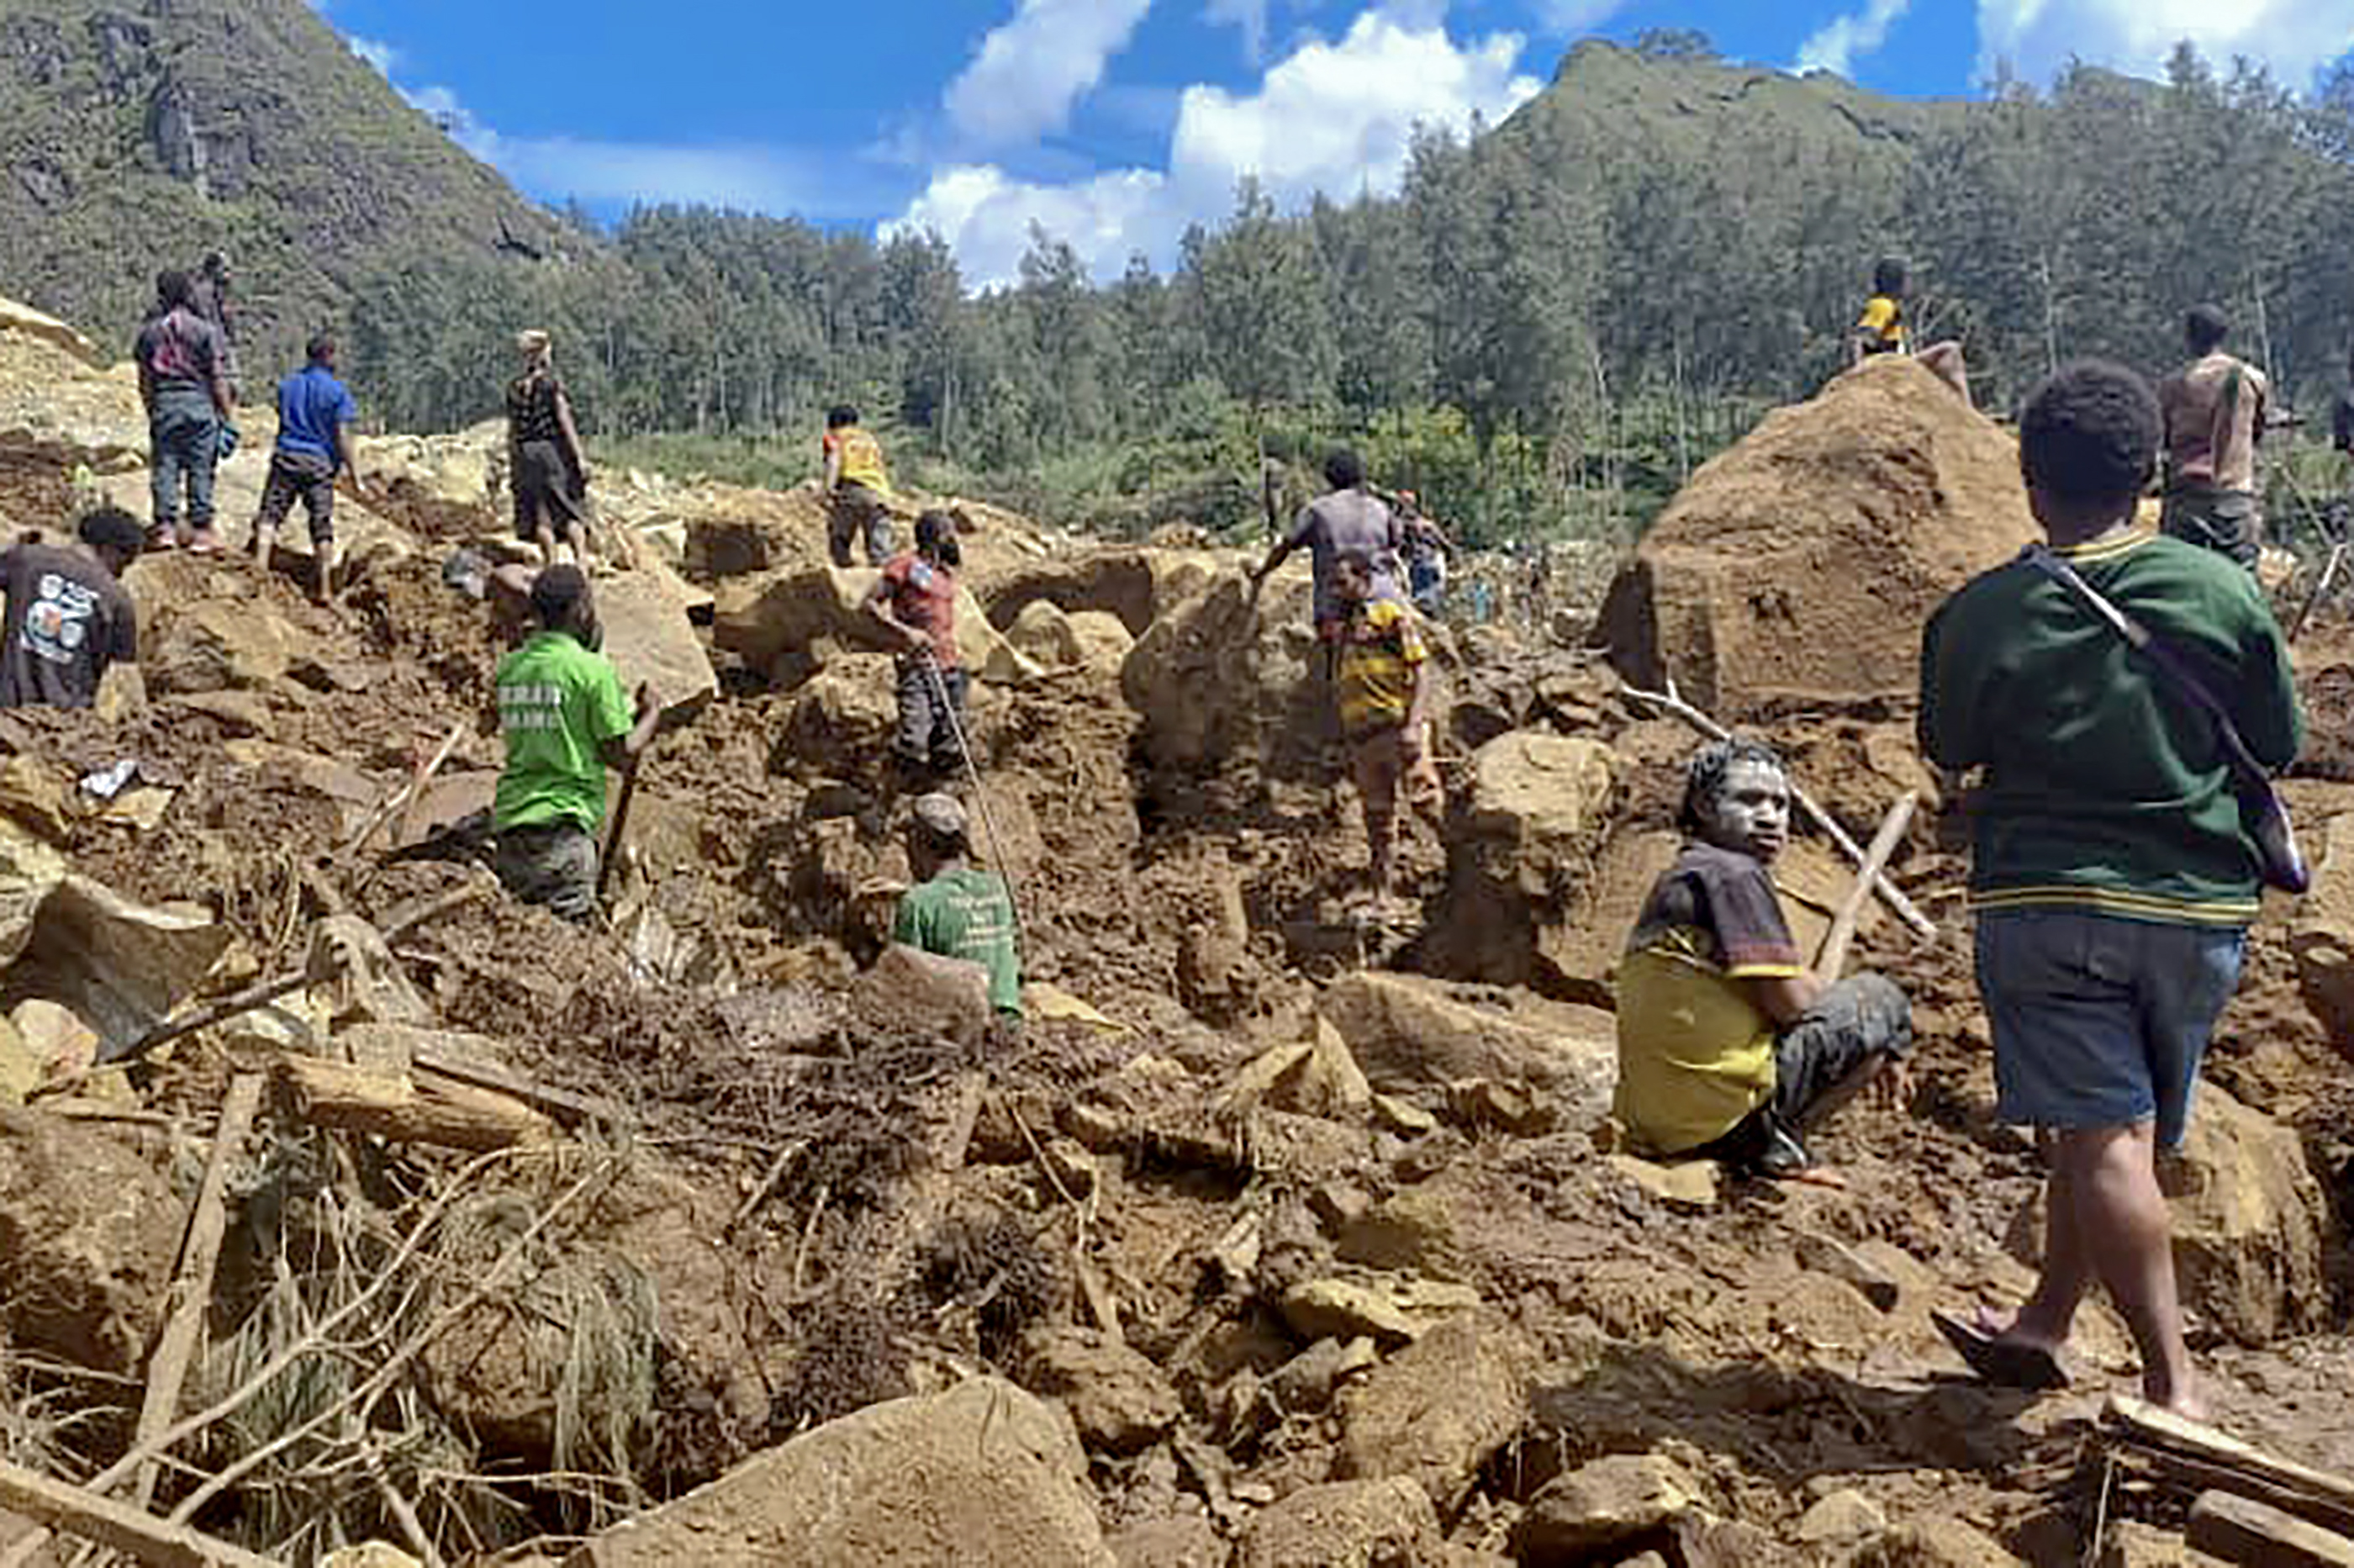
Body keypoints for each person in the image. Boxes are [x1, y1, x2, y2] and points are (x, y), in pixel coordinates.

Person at [1919, 359, 2301, 1417]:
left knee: (2102, 1136)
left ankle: (2172, 1386)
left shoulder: (1985, 612)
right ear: (2147, 476)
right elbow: (2277, 738)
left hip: (2045, 908)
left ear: (2028, 476)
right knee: (2099, 1128)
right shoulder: (2221, 588)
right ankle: (2045, 1318)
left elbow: (1947, 741)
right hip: (2195, 915)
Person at [1614, 738, 1913, 1178]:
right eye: (1749, 800)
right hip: (1724, 1127)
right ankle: (1771, 1149)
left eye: (1781, 804)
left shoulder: (1689, 873)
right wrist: (1890, 1035)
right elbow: (1792, 1007)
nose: (1770, 816)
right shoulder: (1732, 874)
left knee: (1870, 1042)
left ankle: (1775, 1144)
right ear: (1702, 806)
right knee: (1880, 997)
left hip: (1660, 1128)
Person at [490, 566, 659, 923]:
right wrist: (651, 715)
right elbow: (622, 755)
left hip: (509, 829)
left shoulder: (510, 668)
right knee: (567, 947)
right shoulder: (591, 671)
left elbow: (499, 720)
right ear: (580, 610)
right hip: (562, 832)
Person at [1332, 549, 1442, 902]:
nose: (1336, 589)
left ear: (1364, 579)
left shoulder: (1390, 615)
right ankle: (1383, 887)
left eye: (1342, 581)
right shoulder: (1345, 628)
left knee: (1426, 802)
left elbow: (1422, 669)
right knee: (1377, 817)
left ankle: (1466, 870)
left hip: (1397, 728)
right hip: (1364, 738)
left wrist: (1414, 724)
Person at [1249, 449, 1401, 662]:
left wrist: (1262, 572)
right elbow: (1396, 542)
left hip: (1335, 604)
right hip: (1384, 599)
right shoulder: (1380, 508)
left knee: (1335, 665)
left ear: (1328, 477)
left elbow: (1286, 545)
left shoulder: (1317, 510)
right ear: (1360, 476)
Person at [251, 331, 362, 604]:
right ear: (328, 356)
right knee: (321, 525)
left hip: (287, 455)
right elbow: (342, 436)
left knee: (269, 517)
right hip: (318, 464)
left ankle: (258, 573)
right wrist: (355, 474)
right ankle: (324, 589)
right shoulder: (337, 392)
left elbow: (282, 418)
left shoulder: (288, 386)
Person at [2158, 305, 2272, 570]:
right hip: (2233, 495)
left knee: (2181, 581)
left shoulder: (2172, 385)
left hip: (2184, 498)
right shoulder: (2252, 378)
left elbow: (2163, 439)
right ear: (2223, 335)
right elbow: (2257, 432)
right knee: (2242, 581)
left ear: (2189, 338)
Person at [894, 792, 1022, 1018]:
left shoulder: (918, 902)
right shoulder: (997, 889)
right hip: (1007, 1018)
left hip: (959, 1026)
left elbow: (907, 984)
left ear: (919, 842)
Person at [0, 507, 143, 709]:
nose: (121, 574)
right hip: (71, 724)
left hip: (9, 714)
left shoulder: (26, 559)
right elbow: (125, 676)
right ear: (110, 550)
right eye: (125, 563)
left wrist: (14, 543)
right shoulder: (118, 600)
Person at [134, 270, 232, 552]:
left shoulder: (149, 333)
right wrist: (226, 414)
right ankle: (201, 531)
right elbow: (217, 376)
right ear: (188, 295)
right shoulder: (204, 331)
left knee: (166, 466)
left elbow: (145, 380)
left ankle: (165, 527)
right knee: (201, 468)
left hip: (166, 404)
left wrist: (153, 409)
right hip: (199, 405)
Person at [862, 511, 966, 776]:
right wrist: (907, 633)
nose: (954, 540)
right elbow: (869, 605)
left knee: (951, 748)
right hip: (918, 663)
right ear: (937, 536)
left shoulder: (943, 574)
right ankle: (885, 787)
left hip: (949, 665)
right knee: (914, 743)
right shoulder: (904, 565)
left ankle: (935, 800)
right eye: (949, 533)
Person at [506, 330, 591, 565]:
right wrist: (579, 457)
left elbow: (512, 431)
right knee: (570, 508)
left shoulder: (515, 386)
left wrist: (514, 465)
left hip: (526, 454)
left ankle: (550, 565)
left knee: (541, 513)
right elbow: (564, 420)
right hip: (551, 452)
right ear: (542, 352)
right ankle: (581, 565)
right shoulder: (550, 383)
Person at [1853, 256, 1972, 404]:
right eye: (1907, 279)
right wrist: (1861, 372)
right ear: (1896, 281)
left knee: (1947, 358)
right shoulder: (1883, 306)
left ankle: (1959, 410)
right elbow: (1863, 338)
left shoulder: (1889, 305)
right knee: (1951, 350)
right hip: (1891, 366)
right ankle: (1967, 408)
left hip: (1897, 362)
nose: (1910, 284)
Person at [822, 405, 895, 567]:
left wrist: (828, 489)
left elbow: (834, 460)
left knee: (839, 535)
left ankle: (844, 573)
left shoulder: (835, 437)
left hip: (852, 490)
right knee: (880, 542)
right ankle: (883, 578)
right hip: (879, 493)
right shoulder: (869, 439)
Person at [1396, 493, 1454, 618]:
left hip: (1419, 565)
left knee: (1420, 605)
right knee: (1431, 604)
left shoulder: (1401, 524)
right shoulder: (1427, 525)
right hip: (1432, 563)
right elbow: (1446, 545)